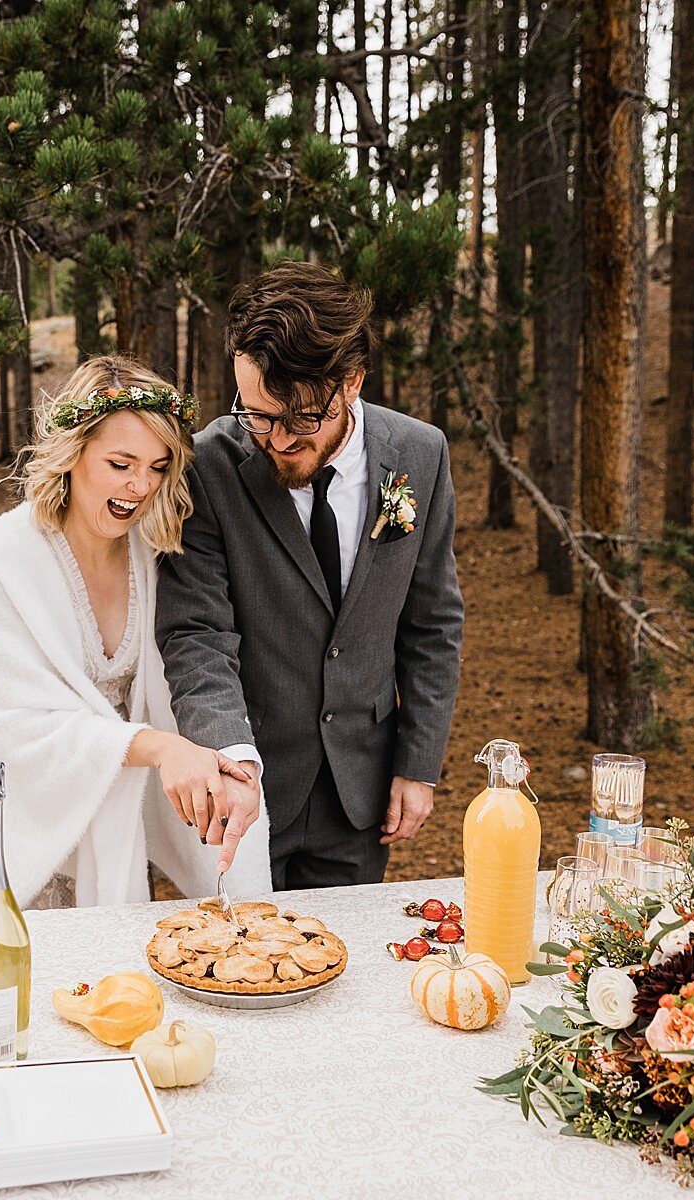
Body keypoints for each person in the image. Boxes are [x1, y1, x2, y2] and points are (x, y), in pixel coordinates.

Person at [0, 357, 273, 919]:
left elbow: (188, 670)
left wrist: (220, 761)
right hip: (15, 836)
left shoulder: (157, 557)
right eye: (120, 463)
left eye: (158, 467)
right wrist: (159, 749)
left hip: (112, 834)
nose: (140, 487)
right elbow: (16, 723)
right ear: (73, 451)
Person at [156, 262, 464, 889]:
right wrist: (231, 758)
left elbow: (432, 624)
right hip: (242, 790)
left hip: (360, 792)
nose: (275, 439)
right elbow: (196, 633)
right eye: (256, 414)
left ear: (352, 381)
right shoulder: (208, 466)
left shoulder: (420, 455)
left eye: (299, 418)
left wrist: (418, 763)